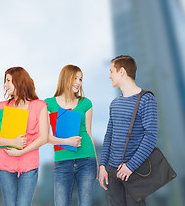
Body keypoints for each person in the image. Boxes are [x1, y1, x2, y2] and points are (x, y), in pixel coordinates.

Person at [99, 55, 158, 206]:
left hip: (134, 172)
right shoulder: (114, 103)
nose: (109, 75)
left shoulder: (146, 99)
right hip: (112, 173)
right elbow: (109, 136)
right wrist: (103, 166)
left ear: (122, 72)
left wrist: (130, 166)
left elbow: (150, 137)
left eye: (112, 71)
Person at [0, 66, 49, 206]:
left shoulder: (40, 106)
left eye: (8, 80)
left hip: (29, 164)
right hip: (5, 164)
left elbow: (44, 137)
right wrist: (13, 141)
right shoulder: (1, 107)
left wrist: (21, 151)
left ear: (19, 81)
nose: (5, 85)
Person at [45, 65, 98, 206]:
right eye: (75, 78)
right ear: (65, 78)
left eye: (80, 79)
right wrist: (66, 141)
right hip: (63, 161)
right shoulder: (48, 104)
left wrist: (97, 163)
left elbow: (89, 133)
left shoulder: (86, 103)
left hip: (87, 159)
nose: (79, 82)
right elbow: (43, 136)